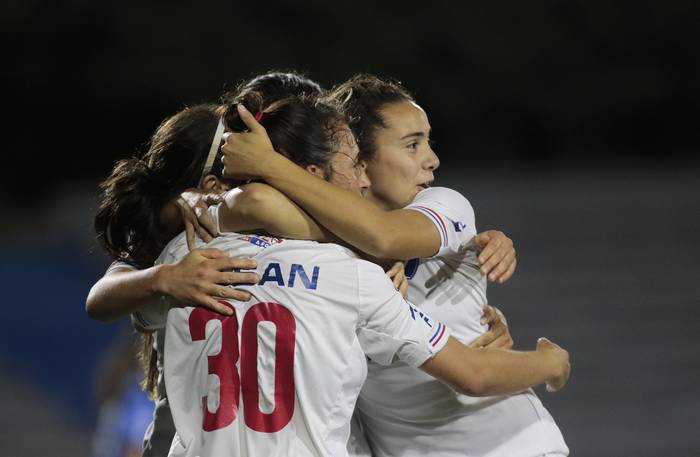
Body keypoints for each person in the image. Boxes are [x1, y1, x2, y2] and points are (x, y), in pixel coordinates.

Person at [132, 91, 569, 457]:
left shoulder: (441, 207)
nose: (432, 160)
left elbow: (380, 236)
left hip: (511, 444)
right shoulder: (345, 267)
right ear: (358, 159)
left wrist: (229, 191)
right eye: (411, 144)